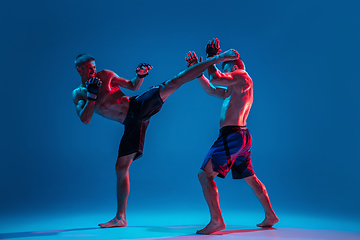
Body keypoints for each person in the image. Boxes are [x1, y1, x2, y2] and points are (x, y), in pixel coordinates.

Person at [72, 49, 239, 228]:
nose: (93, 72)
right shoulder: (79, 94)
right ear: (79, 70)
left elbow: (133, 85)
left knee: (173, 82)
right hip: (131, 124)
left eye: (94, 67)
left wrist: (140, 75)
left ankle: (217, 59)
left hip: (138, 106)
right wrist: (92, 96)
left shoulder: (106, 75)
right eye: (88, 69)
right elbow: (85, 119)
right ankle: (121, 218)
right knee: (121, 168)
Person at [186, 39, 278, 235]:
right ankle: (270, 215)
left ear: (234, 65)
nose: (223, 70)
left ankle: (217, 221)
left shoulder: (241, 75)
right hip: (240, 136)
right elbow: (211, 89)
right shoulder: (236, 87)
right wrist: (198, 71)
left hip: (233, 136)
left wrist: (212, 58)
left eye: (224, 66)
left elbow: (216, 79)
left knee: (204, 175)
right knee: (251, 178)